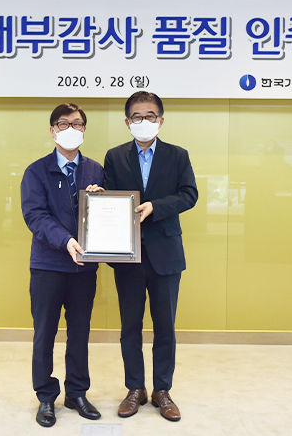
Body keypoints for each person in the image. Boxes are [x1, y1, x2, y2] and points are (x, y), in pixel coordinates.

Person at [103, 92, 198, 422]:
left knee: (165, 327)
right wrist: (98, 197)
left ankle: (162, 390)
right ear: (127, 122)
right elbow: (109, 197)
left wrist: (157, 206)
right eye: (137, 117)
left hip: (166, 254)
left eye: (150, 116)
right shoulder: (115, 156)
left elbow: (189, 195)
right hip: (127, 254)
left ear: (161, 120)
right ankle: (134, 389)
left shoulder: (177, 155)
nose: (144, 121)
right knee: (130, 326)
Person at [20, 103, 104, 427]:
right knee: (45, 333)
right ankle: (45, 396)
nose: (71, 129)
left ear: (84, 129)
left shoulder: (95, 170)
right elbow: (35, 216)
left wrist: (101, 198)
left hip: (84, 268)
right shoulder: (36, 171)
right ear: (52, 130)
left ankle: (77, 393)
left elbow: (107, 215)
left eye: (78, 123)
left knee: (80, 333)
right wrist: (66, 241)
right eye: (64, 123)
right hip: (48, 265)